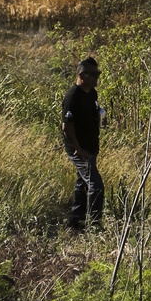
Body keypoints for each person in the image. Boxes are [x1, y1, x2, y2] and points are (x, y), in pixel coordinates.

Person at [62, 56, 104, 232]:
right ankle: (94, 225)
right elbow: (66, 126)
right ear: (81, 75)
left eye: (98, 73)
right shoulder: (72, 97)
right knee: (96, 185)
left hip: (90, 148)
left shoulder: (92, 93)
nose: (96, 77)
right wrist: (78, 149)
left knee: (83, 182)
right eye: (92, 74)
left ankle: (75, 221)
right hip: (79, 150)